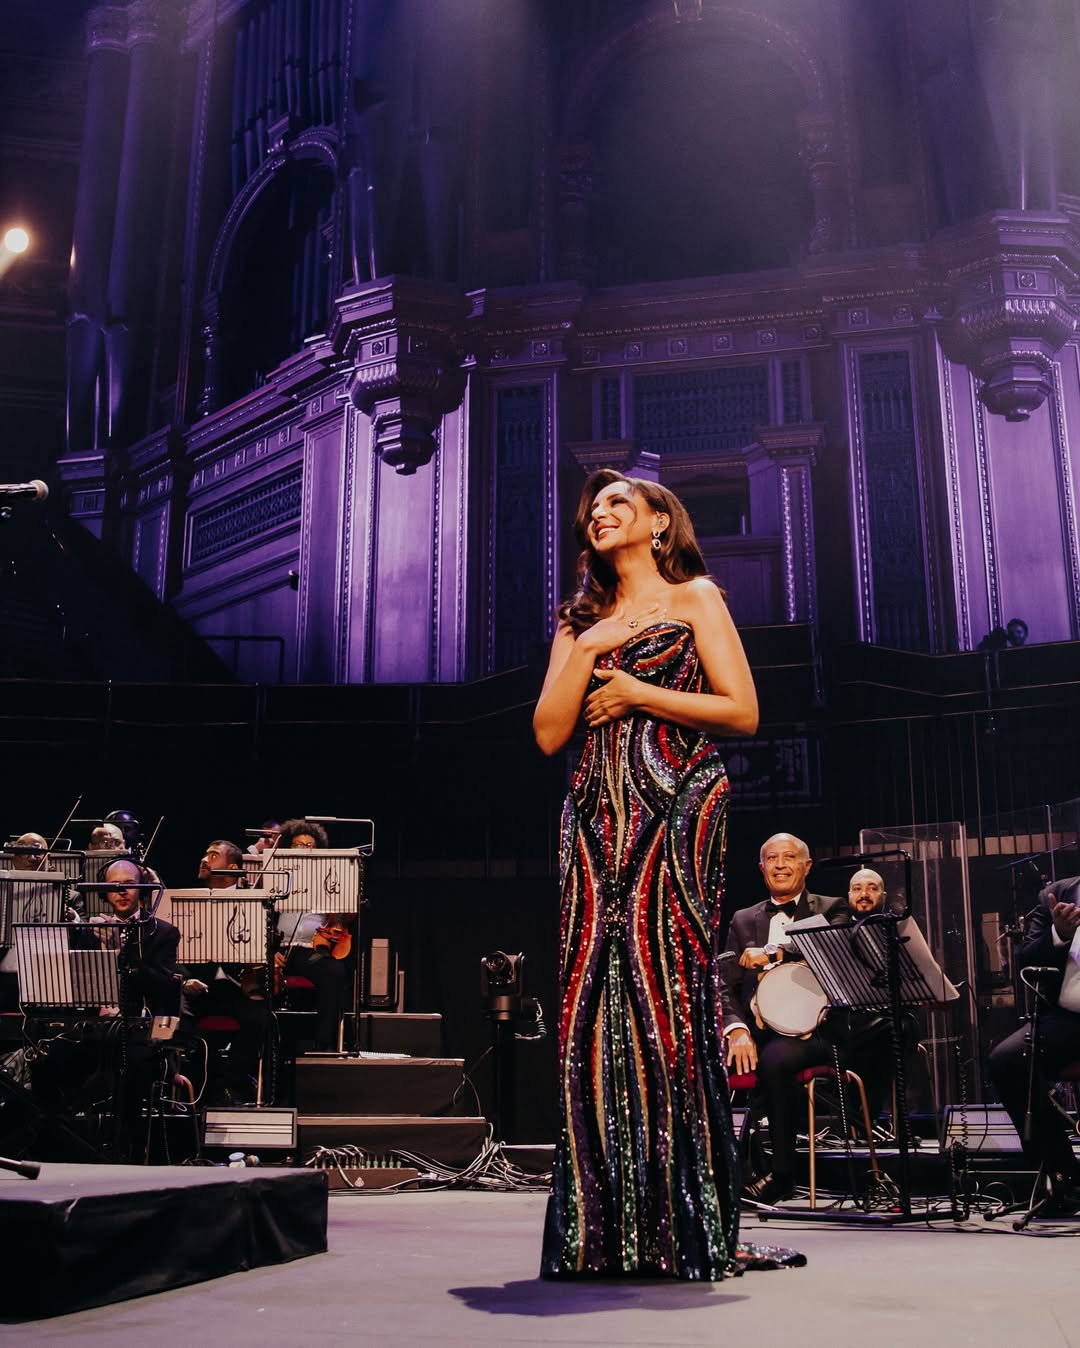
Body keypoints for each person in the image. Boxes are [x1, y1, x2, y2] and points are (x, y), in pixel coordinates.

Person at [534, 469, 797, 1279]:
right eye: (594, 509)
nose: (601, 514)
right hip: (595, 814)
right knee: (591, 997)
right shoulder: (579, 622)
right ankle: (602, 1226)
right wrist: (590, 648)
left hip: (681, 801)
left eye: (620, 503)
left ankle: (686, 1218)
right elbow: (549, 733)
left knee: (664, 991)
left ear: (658, 523)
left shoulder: (696, 598)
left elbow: (742, 711)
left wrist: (639, 692)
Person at [719, 833, 846, 1205]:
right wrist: (736, 1029)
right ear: (761, 868)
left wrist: (774, 952)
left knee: (775, 1061)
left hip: (817, 1032)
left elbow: (829, 944)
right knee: (694, 1057)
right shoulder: (743, 919)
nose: (779, 865)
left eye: (788, 857)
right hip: (757, 1031)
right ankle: (715, 1173)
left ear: (806, 866)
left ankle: (782, 1175)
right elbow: (723, 984)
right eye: (771, 859)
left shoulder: (833, 908)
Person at [988, 874, 1080, 1216]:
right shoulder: (1057, 895)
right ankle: (1064, 1176)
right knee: (1007, 1060)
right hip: (1070, 1021)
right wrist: (1060, 934)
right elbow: (1026, 958)